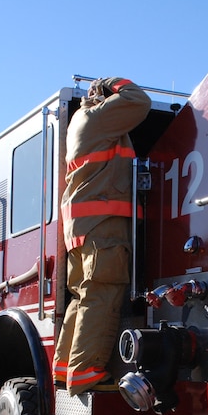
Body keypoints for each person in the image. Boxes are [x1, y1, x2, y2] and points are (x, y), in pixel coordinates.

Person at [52, 76, 151, 396]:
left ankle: (64, 368)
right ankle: (85, 373)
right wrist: (113, 83)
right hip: (103, 226)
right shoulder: (101, 117)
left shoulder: (80, 120)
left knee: (82, 298)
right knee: (102, 295)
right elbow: (140, 101)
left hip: (83, 228)